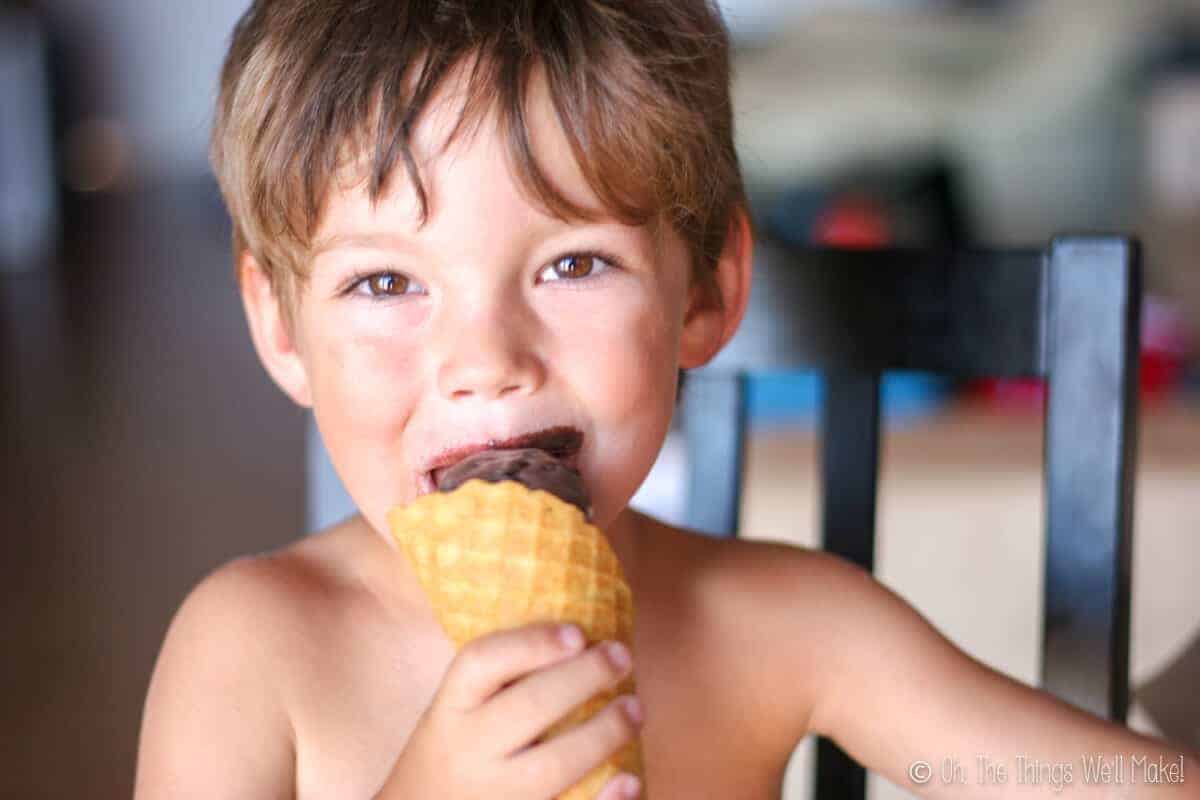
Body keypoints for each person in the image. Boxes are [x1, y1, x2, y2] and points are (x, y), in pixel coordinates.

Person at [133, 1, 1198, 798]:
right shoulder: (252, 654)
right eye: (385, 281)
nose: (486, 357)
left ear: (709, 289)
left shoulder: (790, 626)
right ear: (282, 326)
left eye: (573, 264)